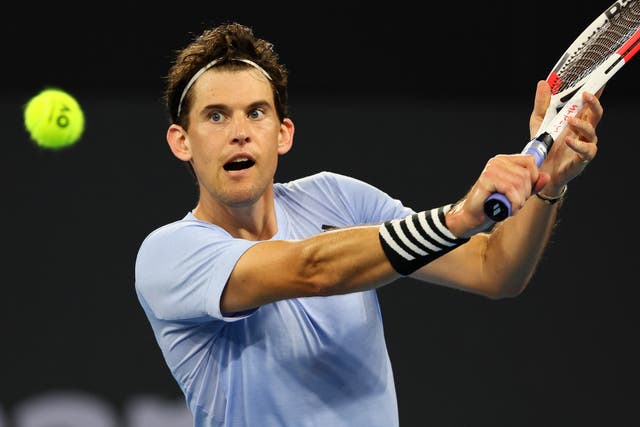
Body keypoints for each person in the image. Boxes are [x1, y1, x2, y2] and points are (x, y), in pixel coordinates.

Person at [134, 22, 603, 427]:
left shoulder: (338, 198)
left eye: (256, 113)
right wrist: (460, 218)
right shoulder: (168, 254)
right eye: (215, 116)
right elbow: (311, 270)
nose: (239, 130)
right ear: (182, 142)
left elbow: (494, 269)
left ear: (283, 134)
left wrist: (548, 186)